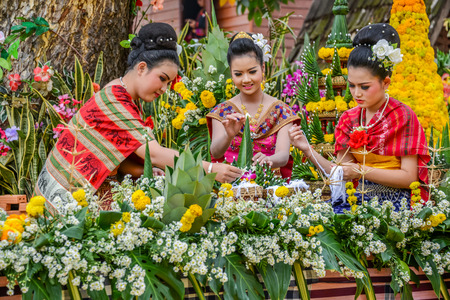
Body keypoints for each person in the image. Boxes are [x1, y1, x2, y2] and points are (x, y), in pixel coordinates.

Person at [35, 23, 242, 213]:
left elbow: (118, 159)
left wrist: (145, 172)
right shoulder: (116, 100)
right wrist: (212, 169)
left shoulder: (120, 93)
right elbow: (154, 154)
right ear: (142, 68)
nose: (164, 89)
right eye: (162, 79)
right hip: (61, 205)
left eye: (169, 83)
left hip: (69, 197)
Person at [289, 23, 430, 213]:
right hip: (357, 198)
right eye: (352, 85)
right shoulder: (349, 119)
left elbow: (409, 178)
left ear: (385, 82)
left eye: (364, 86)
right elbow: (340, 172)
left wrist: (360, 171)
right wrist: (308, 150)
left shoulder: (403, 116)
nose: (356, 94)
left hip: (396, 200)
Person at [207, 32, 300, 177]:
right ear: (231, 74)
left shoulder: (282, 110)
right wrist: (228, 135)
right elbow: (215, 152)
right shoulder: (221, 112)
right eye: (238, 74)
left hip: (271, 187)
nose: (246, 79)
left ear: (263, 68)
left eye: (252, 72)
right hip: (231, 187)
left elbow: (283, 156)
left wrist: (269, 159)